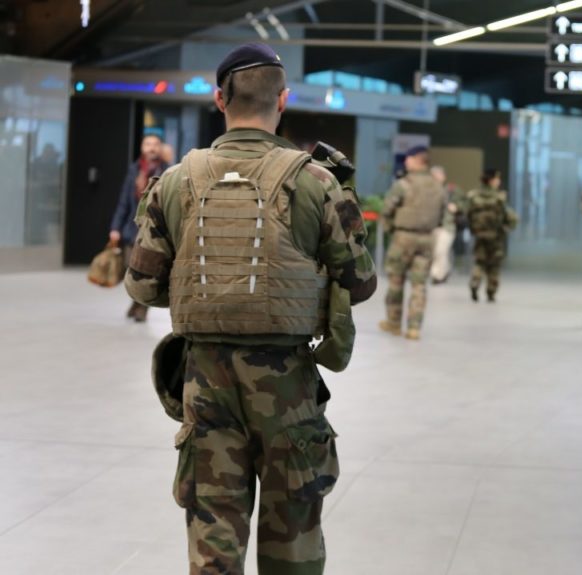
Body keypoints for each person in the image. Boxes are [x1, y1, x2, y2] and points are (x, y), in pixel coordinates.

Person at [124, 43, 377, 573]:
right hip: (288, 383)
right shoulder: (316, 181)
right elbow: (360, 283)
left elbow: (142, 287)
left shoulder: (173, 182)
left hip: (205, 378)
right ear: (282, 100)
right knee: (294, 538)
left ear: (219, 99)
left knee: (214, 536)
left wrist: (205, 286)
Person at [379, 145, 447, 340]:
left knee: (396, 281)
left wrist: (392, 229)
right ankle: (414, 328)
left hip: (403, 238)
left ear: (419, 160)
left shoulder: (403, 184)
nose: (406, 161)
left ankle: (393, 323)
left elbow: (387, 210)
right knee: (419, 285)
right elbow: (442, 216)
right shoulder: (438, 186)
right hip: (427, 239)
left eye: (409, 158)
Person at [109, 129, 167, 322]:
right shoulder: (134, 170)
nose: (152, 148)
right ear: (142, 147)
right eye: (148, 144)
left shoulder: (167, 171)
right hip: (131, 230)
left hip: (154, 230)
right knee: (129, 268)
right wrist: (115, 227)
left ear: (160, 148)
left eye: (155, 144)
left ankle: (142, 308)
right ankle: (136, 303)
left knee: (147, 270)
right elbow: (124, 201)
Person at [467, 169, 516, 302]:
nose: (499, 181)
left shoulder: (473, 196)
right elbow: (510, 217)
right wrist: (507, 228)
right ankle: (491, 292)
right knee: (494, 265)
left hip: (479, 235)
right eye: (497, 178)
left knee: (479, 262)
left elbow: (468, 215)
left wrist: (473, 229)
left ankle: (475, 283)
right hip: (496, 236)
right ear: (492, 180)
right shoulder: (499, 197)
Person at [429, 165, 464, 285]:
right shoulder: (428, 192)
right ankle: (445, 270)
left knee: (441, 250)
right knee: (435, 251)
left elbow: (464, 204)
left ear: (443, 176)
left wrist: (456, 207)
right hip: (432, 226)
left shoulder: (452, 190)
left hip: (447, 226)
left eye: (437, 175)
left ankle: (437, 275)